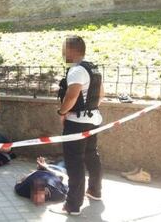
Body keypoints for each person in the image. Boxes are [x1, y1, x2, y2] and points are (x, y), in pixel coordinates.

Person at [50, 35, 104, 216]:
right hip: (93, 119)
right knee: (91, 155)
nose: (62, 53)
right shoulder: (93, 68)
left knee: (74, 162)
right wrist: (92, 110)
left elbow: (71, 96)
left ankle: (72, 205)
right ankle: (95, 191)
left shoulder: (76, 70)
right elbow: (101, 94)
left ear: (72, 51)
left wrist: (62, 112)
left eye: (64, 49)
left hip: (77, 122)